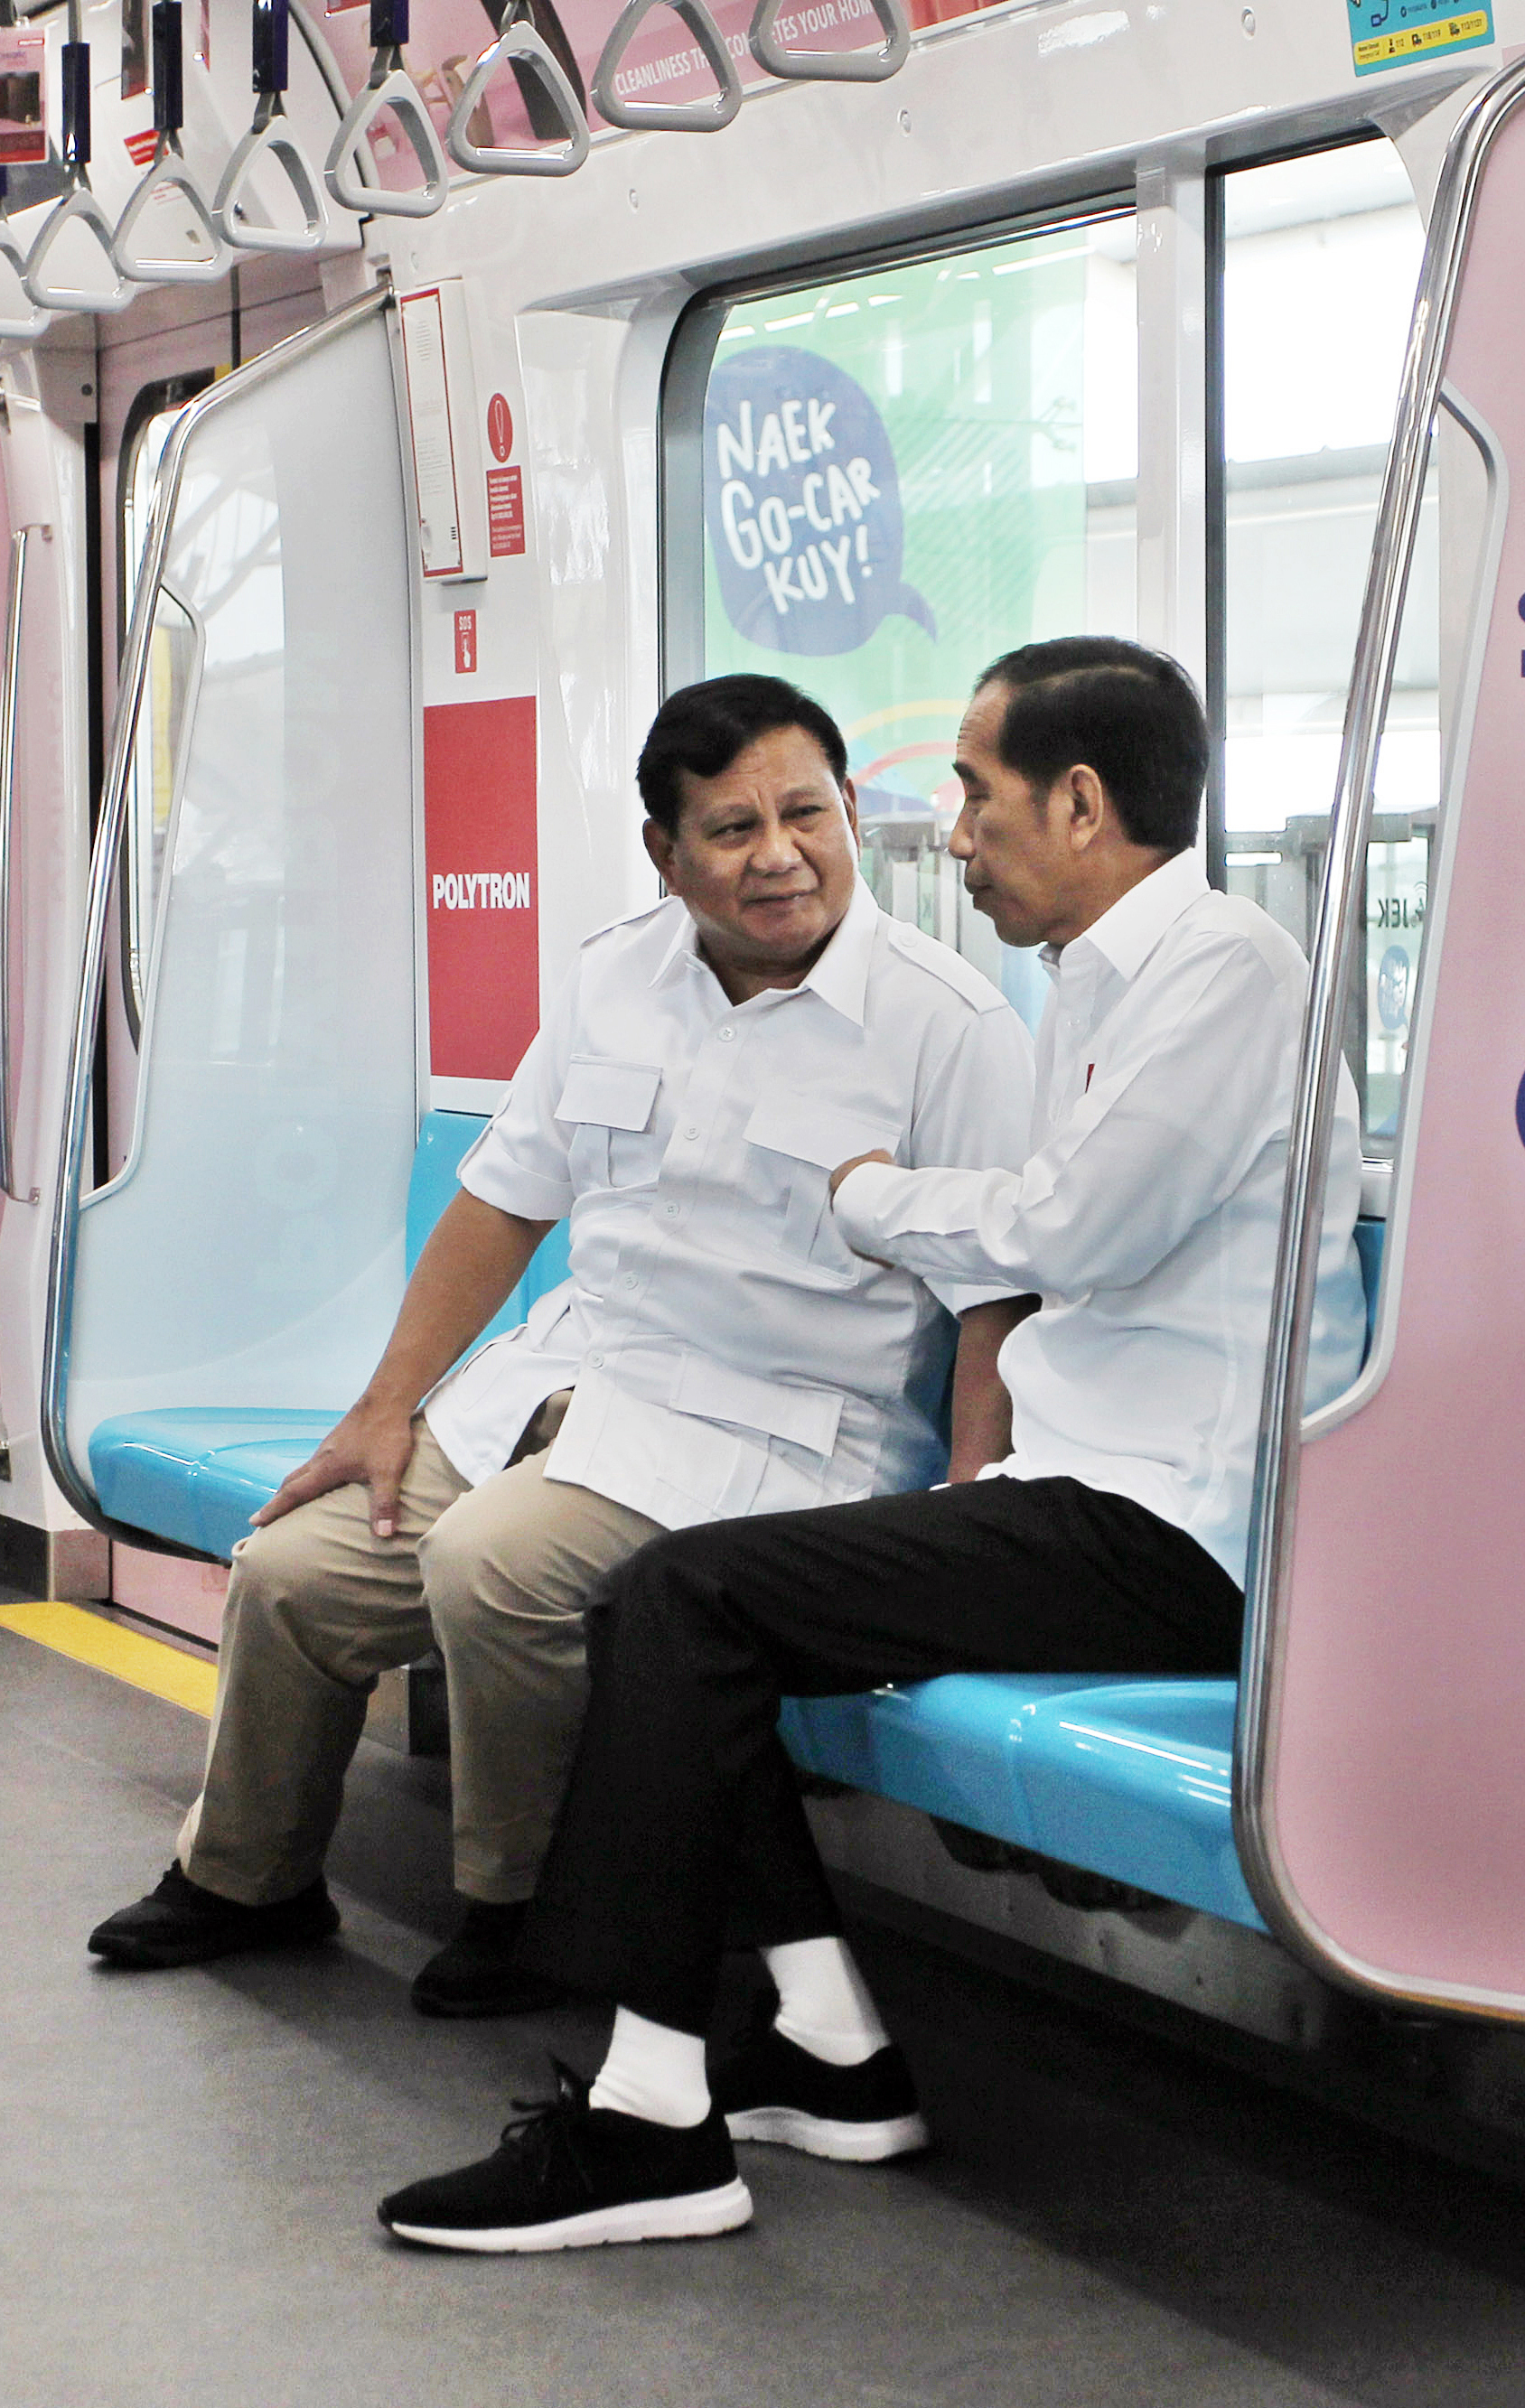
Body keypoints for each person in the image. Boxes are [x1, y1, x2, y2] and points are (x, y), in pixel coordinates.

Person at [376, 634, 1368, 2253]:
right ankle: (832, 2046)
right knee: (675, 1608)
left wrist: (868, 1194)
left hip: (1180, 1529)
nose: (954, 836)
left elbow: (1075, 1229)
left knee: (684, 1600)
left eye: (977, 797)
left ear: (1082, 800)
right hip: (1078, 1490)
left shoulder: (1229, 971)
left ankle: (652, 2120)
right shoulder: (1102, 982)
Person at [89, 673, 1036, 2015]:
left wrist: (969, 1513)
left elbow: (998, 1298)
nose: (780, 854)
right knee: (291, 1573)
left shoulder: (949, 1025)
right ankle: (247, 1875)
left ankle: (535, 1909)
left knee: (496, 1565)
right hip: (569, 1384)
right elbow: (502, 1201)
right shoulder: (615, 976)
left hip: (771, 1436)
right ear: (666, 852)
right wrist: (382, 1407)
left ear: (847, 810)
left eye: (807, 814)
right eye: (733, 828)